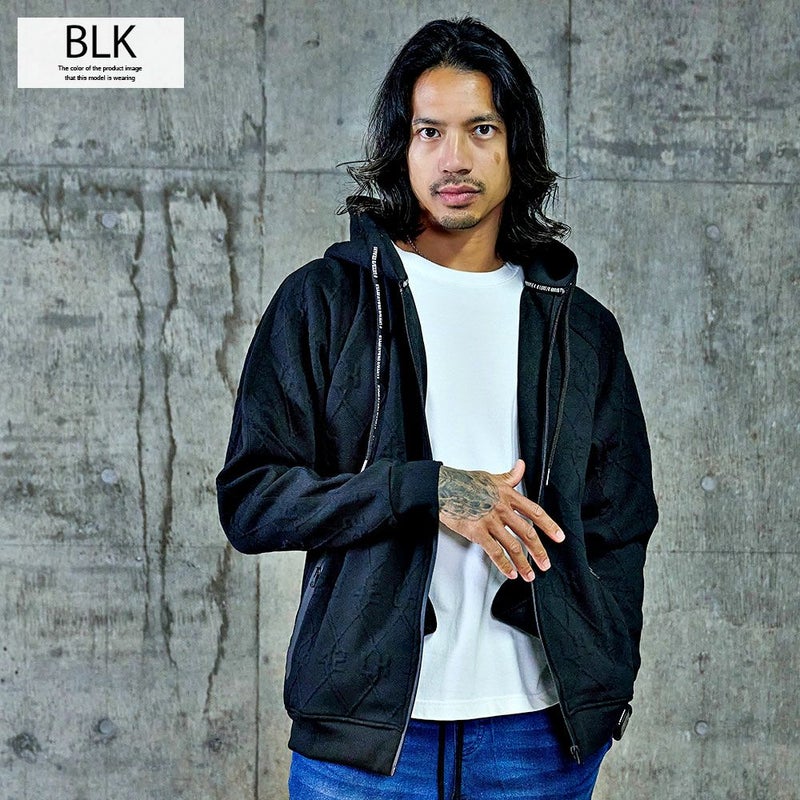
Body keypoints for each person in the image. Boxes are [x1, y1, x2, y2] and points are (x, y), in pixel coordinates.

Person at [217, 16, 658, 800]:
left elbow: (621, 522)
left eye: (481, 129)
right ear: (402, 147)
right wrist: (427, 489)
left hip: (538, 739)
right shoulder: (326, 302)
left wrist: (603, 663)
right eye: (430, 132)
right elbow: (252, 502)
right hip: (365, 744)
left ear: (516, 146)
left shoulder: (579, 327)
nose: (455, 158)